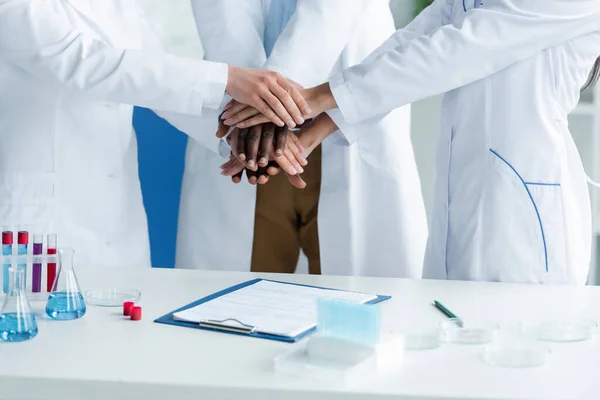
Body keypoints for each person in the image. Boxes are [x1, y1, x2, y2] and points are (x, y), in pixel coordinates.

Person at [223, 0, 600, 285]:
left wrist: (308, 99)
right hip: (465, 194)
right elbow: (414, 41)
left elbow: (456, 49)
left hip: (525, 218)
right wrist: (310, 133)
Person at [0, 0, 309, 268]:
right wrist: (228, 78)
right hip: (38, 218)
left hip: (115, 217)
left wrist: (239, 137)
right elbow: (87, 63)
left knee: (118, 329)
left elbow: (155, 80)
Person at [176, 0, 428, 277]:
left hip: (338, 108)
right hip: (248, 127)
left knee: (351, 302)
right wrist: (257, 97)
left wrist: (271, 101)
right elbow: (223, 14)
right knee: (236, 302)